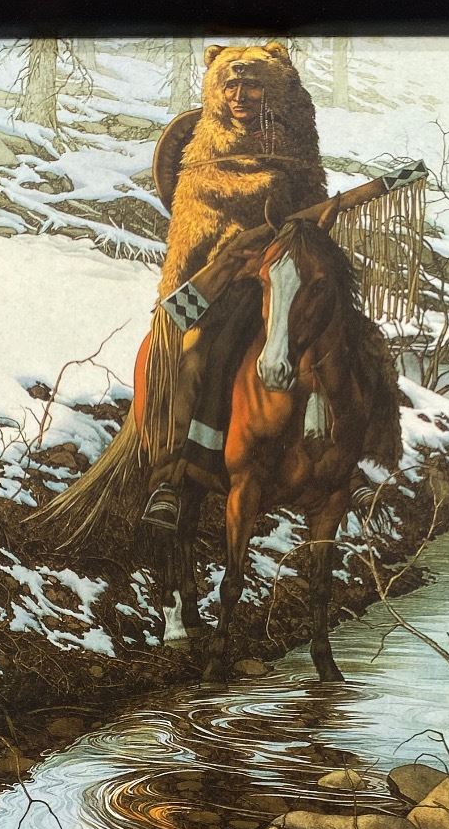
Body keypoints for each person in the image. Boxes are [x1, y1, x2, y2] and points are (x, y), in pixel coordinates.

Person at [139, 41, 328, 529]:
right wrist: (187, 293)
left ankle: (341, 465)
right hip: (222, 289)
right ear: (216, 91)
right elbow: (187, 245)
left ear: (273, 93)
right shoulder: (200, 161)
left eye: (253, 86)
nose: (240, 96)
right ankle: (173, 476)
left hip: (281, 277)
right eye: (231, 86)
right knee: (201, 356)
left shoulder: (294, 154)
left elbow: (310, 224)